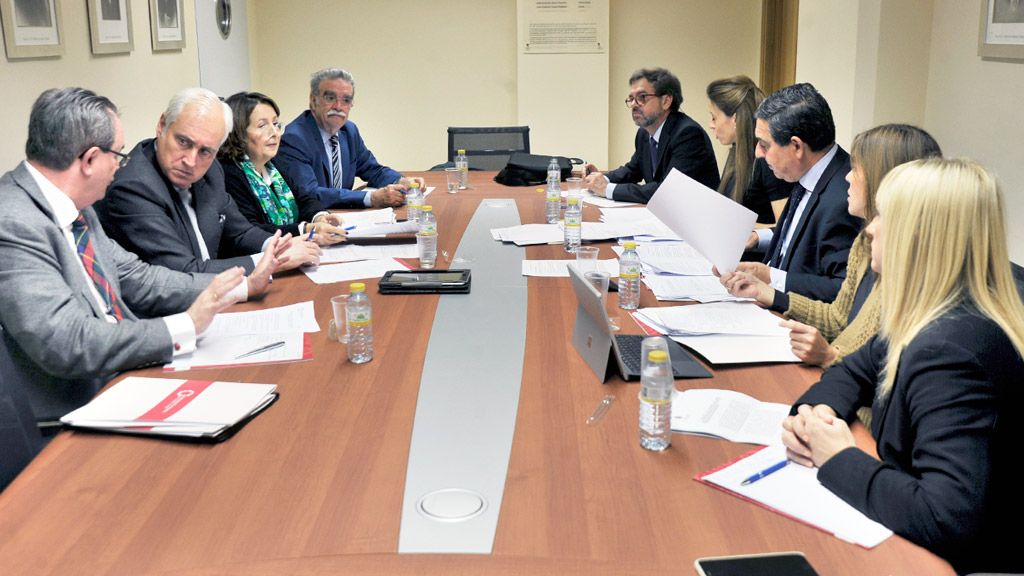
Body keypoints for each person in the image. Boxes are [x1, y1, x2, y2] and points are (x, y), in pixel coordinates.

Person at [781, 157, 1024, 574]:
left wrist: (837, 456)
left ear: (918, 236)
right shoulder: (940, 306)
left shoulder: (952, 349)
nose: (870, 228)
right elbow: (852, 370)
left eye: (884, 216)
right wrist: (818, 413)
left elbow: (945, 518)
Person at [0, 87, 283, 423]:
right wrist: (184, 326)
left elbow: (138, 277)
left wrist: (242, 287)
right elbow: (69, 341)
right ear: (90, 160)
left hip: (130, 378)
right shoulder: (12, 222)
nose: (120, 167)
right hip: (76, 412)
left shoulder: (76, 205)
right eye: (117, 155)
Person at [722, 124, 941, 368]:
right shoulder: (865, 242)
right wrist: (767, 293)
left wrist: (830, 357)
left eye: (856, 170)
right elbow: (838, 318)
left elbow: (883, 375)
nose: (847, 176)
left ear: (884, 182)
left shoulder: (912, 274)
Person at [97, 87, 322, 274]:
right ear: (162, 125)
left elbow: (240, 232)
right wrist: (272, 260)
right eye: (184, 142)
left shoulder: (212, 169)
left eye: (206, 151)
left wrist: (279, 246)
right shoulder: (134, 187)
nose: (191, 161)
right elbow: (184, 271)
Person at [734, 83, 860, 303]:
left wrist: (770, 277)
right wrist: (758, 238)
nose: (758, 153)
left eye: (764, 144)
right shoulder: (808, 172)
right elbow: (798, 233)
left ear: (797, 147)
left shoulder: (845, 197)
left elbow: (842, 290)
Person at [276, 68, 425, 209]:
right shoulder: (294, 138)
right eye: (330, 98)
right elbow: (310, 193)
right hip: (311, 224)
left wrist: (401, 181)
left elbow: (373, 170)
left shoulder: (348, 130)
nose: (339, 106)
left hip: (344, 218)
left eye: (346, 100)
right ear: (313, 100)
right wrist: (371, 198)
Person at [218, 91, 347, 246]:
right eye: (262, 126)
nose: (275, 133)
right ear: (238, 133)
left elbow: (303, 199)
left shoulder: (273, 165)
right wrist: (304, 229)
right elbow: (251, 231)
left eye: (275, 124)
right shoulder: (228, 173)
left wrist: (319, 217)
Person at [583, 68, 719, 203]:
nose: (633, 105)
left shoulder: (688, 134)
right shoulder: (644, 133)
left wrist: (608, 189)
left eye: (642, 98)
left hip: (695, 217)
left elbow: (667, 192)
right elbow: (633, 170)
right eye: (631, 98)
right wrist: (602, 179)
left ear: (666, 101)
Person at [706, 75, 787, 225]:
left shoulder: (767, 159)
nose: (711, 125)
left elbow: (783, 228)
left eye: (714, 118)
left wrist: (740, 228)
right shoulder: (736, 150)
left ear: (735, 119)